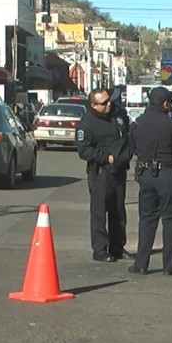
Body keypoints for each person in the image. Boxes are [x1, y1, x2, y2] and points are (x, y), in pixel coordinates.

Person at [128, 87, 172, 276]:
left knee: (147, 219)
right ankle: (169, 265)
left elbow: (130, 147)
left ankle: (141, 264)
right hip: (167, 174)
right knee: (171, 220)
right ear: (165, 104)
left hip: (145, 174)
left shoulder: (137, 123)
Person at [75, 88, 134, 263]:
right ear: (93, 105)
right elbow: (84, 150)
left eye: (109, 101)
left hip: (119, 170)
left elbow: (127, 134)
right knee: (100, 211)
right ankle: (100, 249)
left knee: (118, 210)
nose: (109, 104)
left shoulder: (118, 114)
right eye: (104, 103)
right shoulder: (87, 123)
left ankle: (117, 247)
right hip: (100, 172)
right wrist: (106, 158)